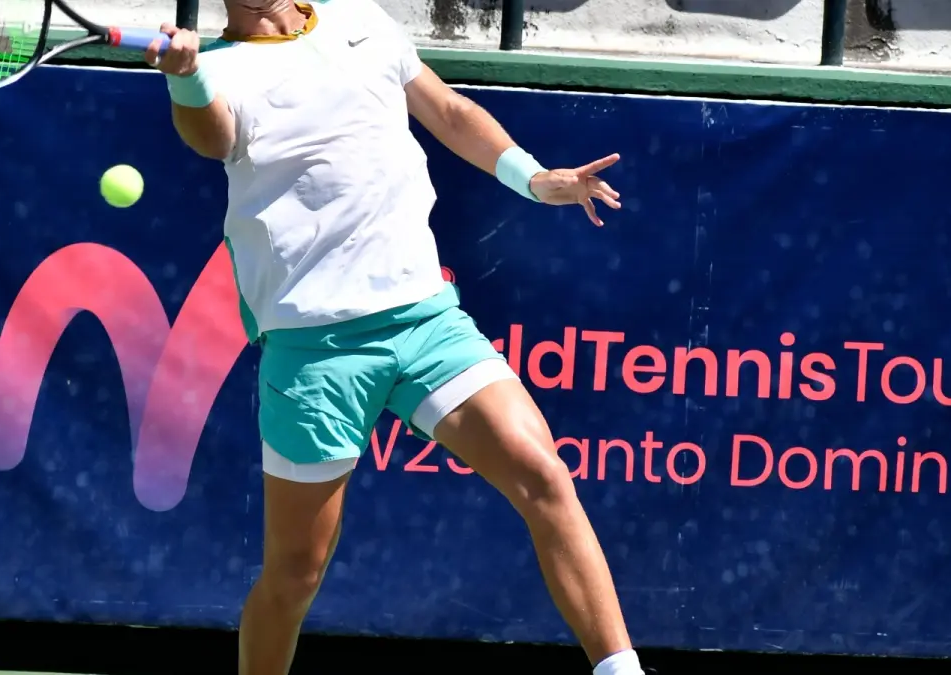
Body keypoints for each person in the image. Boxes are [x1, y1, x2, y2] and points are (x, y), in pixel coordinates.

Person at [145, 1, 643, 673]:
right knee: (295, 573)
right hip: (315, 350)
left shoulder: (362, 19)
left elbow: (449, 112)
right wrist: (184, 78)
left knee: (543, 474)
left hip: (424, 320)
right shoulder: (220, 69)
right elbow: (211, 136)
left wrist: (535, 179)